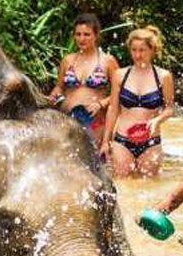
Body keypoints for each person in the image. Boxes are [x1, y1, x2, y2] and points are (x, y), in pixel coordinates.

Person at [99, 26, 174, 177]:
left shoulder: (164, 76)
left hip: (151, 142)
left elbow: (169, 109)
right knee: (122, 186)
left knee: (150, 186)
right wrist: (105, 142)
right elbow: (113, 109)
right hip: (122, 141)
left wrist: (158, 120)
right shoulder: (120, 75)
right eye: (134, 50)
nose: (137, 55)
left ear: (152, 50)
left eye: (142, 50)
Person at [49, 14, 118, 143]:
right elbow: (59, 86)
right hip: (67, 118)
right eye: (78, 34)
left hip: (95, 120)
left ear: (96, 35)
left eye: (87, 34)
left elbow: (120, 92)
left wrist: (100, 104)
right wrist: (55, 94)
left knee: (94, 160)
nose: (82, 38)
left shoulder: (108, 61)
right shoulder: (68, 60)